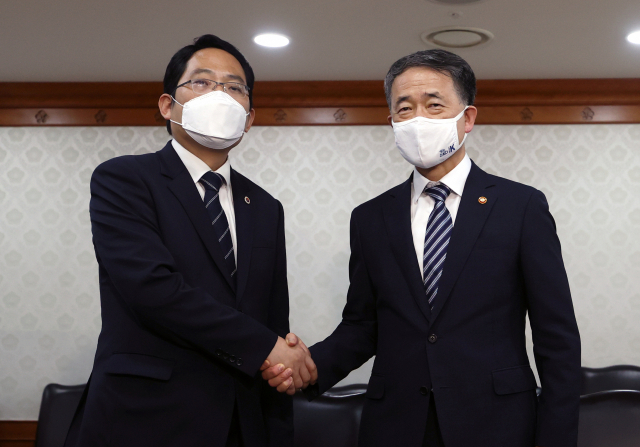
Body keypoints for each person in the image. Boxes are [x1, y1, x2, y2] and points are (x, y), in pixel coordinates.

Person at [263, 49, 581, 447]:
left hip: (498, 424)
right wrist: (306, 368)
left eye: (434, 105)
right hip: (395, 425)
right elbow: (363, 326)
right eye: (405, 109)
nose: (418, 120)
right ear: (392, 122)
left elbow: (557, 338)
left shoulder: (521, 206)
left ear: (466, 118)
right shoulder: (370, 217)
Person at [64, 34, 315, 447]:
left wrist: (283, 369)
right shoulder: (124, 179)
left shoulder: (266, 206)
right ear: (167, 105)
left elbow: (271, 316)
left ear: (249, 118)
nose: (219, 94)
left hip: (243, 420)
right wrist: (266, 346)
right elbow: (152, 289)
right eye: (201, 82)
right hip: (143, 418)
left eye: (234, 87)